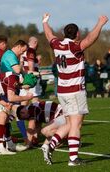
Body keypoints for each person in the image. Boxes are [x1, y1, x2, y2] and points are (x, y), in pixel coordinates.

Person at [42, 13, 108, 166]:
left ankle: (49, 146)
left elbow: (48, 34)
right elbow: (91, 39)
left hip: (63, 92)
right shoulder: (75, 47)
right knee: (76, 125)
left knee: (69, 124)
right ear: (77, 34)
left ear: (65, 34)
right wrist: (100, 23)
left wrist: (45, 21)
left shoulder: (56, 44)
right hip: (75, 90)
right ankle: (72, 159)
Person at [0, 40, 31, 146]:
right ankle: (25, 139)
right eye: (22, 51)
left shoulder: (10, 55)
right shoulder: (10, 55)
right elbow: (17, 70)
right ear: (18, 46)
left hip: (10, 88)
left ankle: (6, 139)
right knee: (18, 113)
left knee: (9, 115)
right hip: (7, 90)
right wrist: (24, 70)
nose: (22, 54)